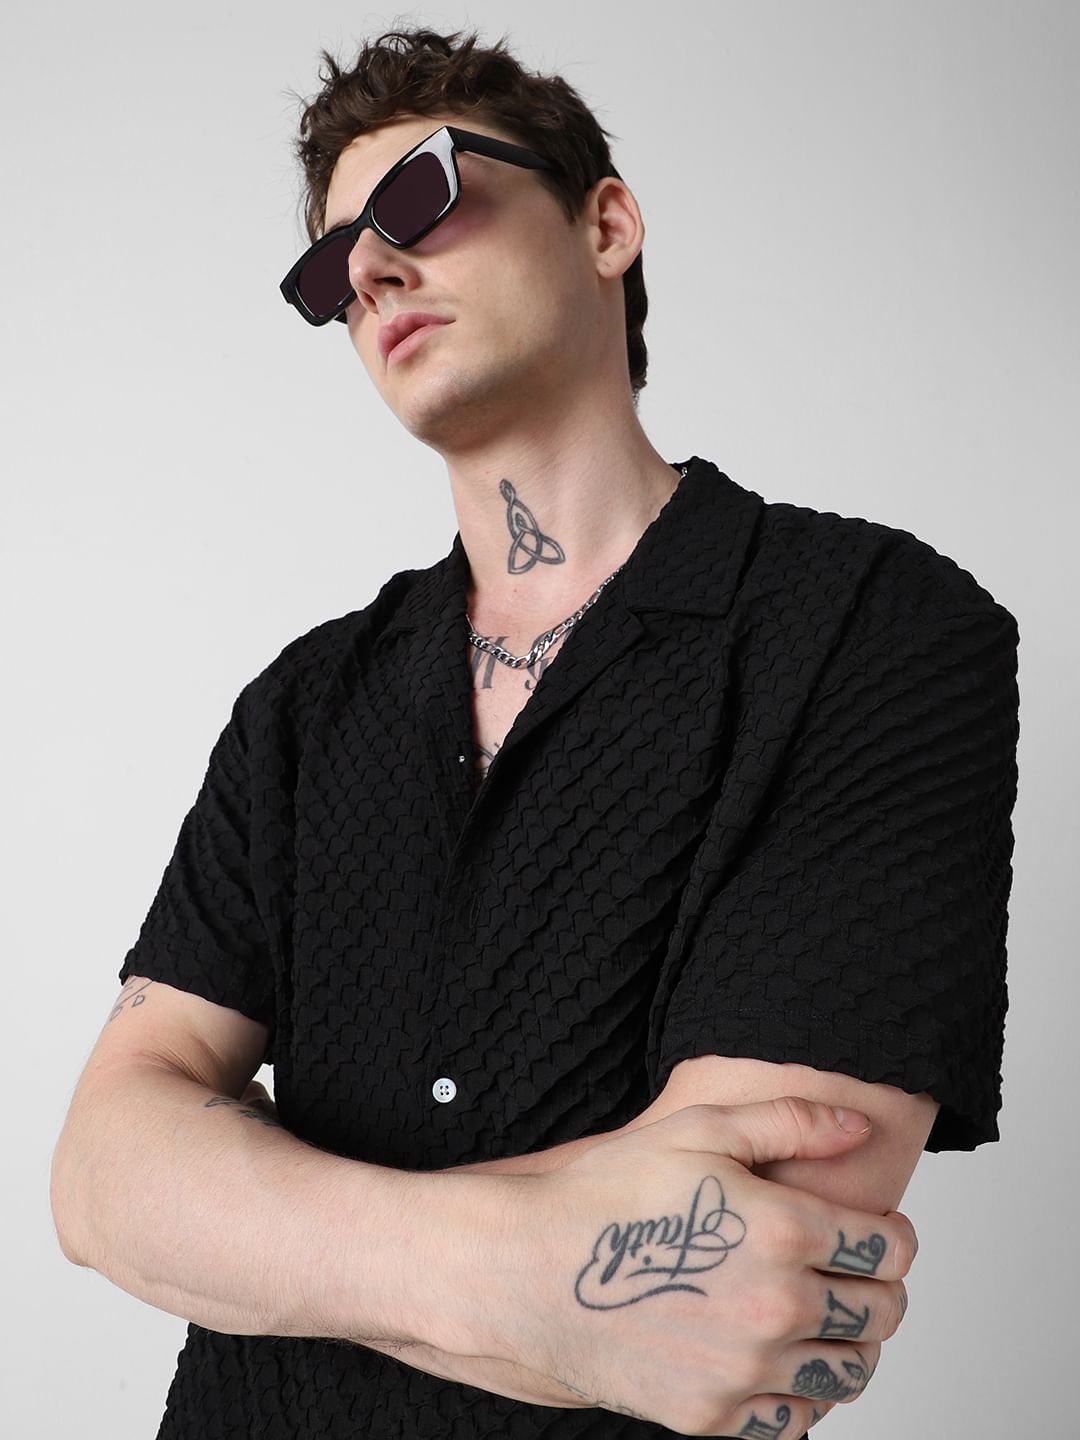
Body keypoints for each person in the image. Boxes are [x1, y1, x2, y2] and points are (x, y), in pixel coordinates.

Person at [50, 24, 1020, 1440]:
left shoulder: (874, 627)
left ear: (606, 223)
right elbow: (98, 1178)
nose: (371, 272)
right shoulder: (301, 707)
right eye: (332, 267)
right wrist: (537, 1277)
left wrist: (243, 1222)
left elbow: (741, 1279)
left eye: (422, 196)